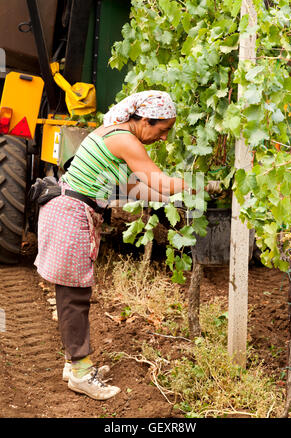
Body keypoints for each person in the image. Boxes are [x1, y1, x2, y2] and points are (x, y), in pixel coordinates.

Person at [34, 90, 191, 401]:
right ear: (145, 120)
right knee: (74, 298)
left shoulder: (116, 136)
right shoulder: (125, 140)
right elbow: (159, 181)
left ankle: (73, 365)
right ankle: (80, 374)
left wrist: (184, 197)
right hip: (69, 214)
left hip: (69, 210)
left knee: (73, 294)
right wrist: (202, 184)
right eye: (162, 130)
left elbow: (136, 189)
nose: (163, 138)